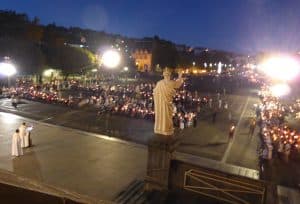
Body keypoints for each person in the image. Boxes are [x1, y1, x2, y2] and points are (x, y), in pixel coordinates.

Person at [153, 68, 184, 135]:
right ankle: (166, 129)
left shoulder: (159, 83)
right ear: (169, 75)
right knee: (167, 117)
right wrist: (180, 75)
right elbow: (178, 84)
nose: (167, 76)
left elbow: (154, 92)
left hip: (161, 104)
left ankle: (160, 128)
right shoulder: (170, 83)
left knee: (162, 116)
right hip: (167, 104)